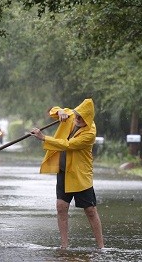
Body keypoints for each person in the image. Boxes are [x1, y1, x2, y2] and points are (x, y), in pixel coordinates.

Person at [30, 98, 104, 249]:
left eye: (80, 118)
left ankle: (101, 247)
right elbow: (52, 110)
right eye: (76, 115)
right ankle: (64, 246)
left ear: (88, 119)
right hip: (64, 171)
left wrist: (44, 138)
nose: (76, 119)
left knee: (90, 210)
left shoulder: (90, 133)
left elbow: (68, 145)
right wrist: (60, 111)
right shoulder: (73, 115)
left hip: (79, 175)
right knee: (61, 207)